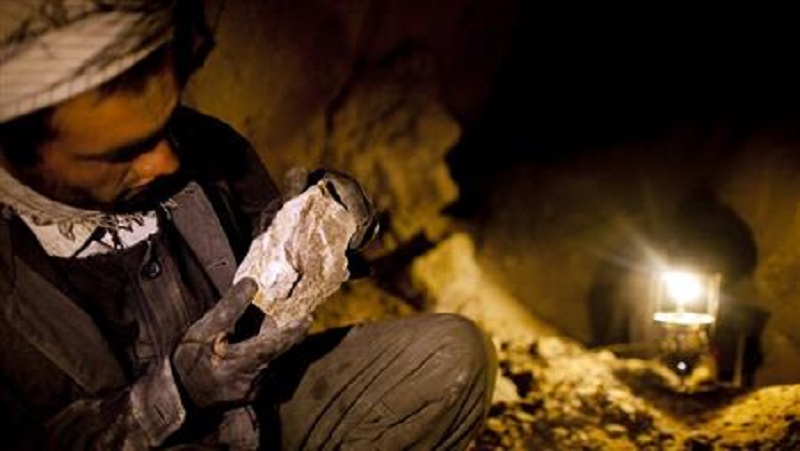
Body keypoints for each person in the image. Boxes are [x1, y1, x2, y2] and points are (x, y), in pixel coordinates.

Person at [0, 1, 496, 449]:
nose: (166, 161)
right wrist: (178, 394)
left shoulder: (201, 145)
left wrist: (325, 222)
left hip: (258, 421)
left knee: (448, 357)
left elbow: (264, 240)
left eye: (164, 124)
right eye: (121, 153)